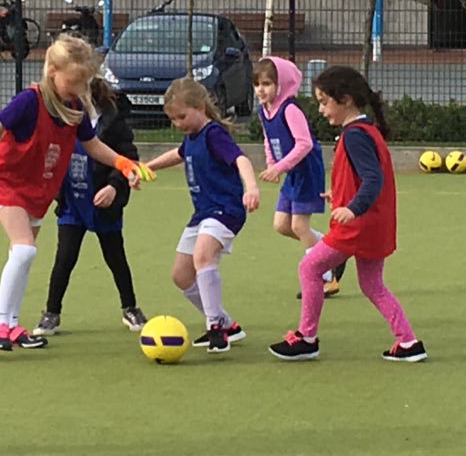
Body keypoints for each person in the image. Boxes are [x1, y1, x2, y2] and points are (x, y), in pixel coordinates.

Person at [0, 35, 155, 351]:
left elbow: (93, 146)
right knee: (24, 250)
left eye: (84, 83)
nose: (79, 89)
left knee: (21, 256)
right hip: (9, 183)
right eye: (73, 81)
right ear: (52, 70)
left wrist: (123, 164)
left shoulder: (74, 107)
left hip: (38, 190)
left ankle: (11, 325)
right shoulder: (29, 101)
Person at [268, 66, 426, 362]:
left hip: (358, 227)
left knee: (309, 268)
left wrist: (352, 208)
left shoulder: (355, 136)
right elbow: (362, 177)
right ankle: (408, 342)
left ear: (346, 99)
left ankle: (307, 338)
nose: (320, 109)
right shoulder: (365, 131)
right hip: (375, 224)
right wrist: (339, 195)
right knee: (372, 284)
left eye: (324, 102)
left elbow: (373, 179)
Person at [143, 77, 260, 353]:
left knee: (202, 257)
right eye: (173, 119)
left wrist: (251, 187)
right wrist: (147, 167)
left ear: (200, 107)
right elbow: (178, 154)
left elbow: (241, 159)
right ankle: (227, 324)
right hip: (203, 213)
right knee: (181, 275)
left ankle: (215, 327)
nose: (178, 124)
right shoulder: (192, 138)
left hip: (225, 209)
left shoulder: (213, 134)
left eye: (182, 117)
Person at [32, 79, 148, 336]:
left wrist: (113, 187)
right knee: (65, 258)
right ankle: (51, 313)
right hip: (72, 203)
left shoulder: (114, 123)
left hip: (103, 203)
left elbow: (127, 157)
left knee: (115, 257)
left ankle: (130, 308)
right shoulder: (63, 118)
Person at [251, 57, 345, 298]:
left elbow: (304, 144)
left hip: (307, 171)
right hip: (291, 172)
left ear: (281, 84)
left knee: (299, 225)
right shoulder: (264, 110)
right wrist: (271, 163)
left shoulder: (290, 109)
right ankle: (332, 250)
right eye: (257, 84)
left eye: (267, 84)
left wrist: (279, 167)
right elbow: (268, 139)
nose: (261, 89)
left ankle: (324, 278)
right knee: (281, 225)